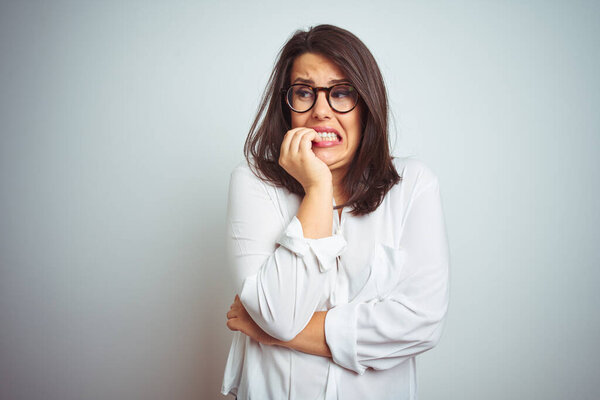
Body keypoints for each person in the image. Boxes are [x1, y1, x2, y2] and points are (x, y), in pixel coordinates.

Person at [222, 24, 449, 400]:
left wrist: (279, 332)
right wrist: (317, 188)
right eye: (304, 93)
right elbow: (278, 312)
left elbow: (420, 324)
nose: (321, 111)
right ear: (286, 106)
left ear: (366, 104)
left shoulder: (413, 184)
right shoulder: (253, 184)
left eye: (341, 93)